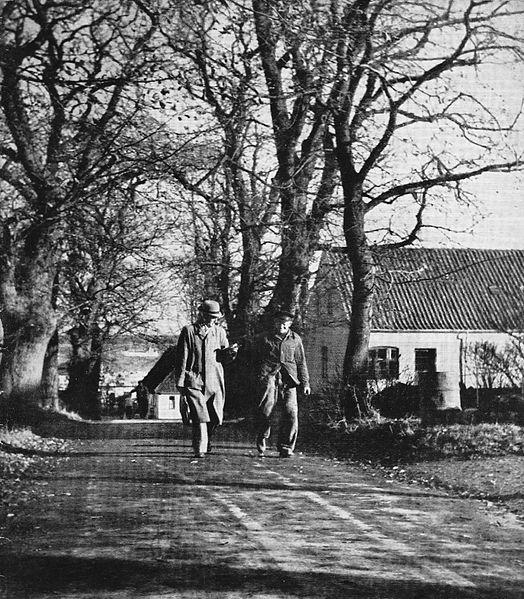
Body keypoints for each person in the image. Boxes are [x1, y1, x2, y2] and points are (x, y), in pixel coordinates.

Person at [174, 300, 238, 458]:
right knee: (199, 416)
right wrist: (180, 381)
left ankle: (207, 440)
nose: (212, 319)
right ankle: (199, 448)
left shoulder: (220, 332)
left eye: (215, 317)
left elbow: (224, 358)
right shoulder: (189, 331)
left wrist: (231, 353)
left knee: (215, 417)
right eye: (209, 316)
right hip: (194, 380)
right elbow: (182, 357)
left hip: (215, 380)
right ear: (201, 314)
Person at [251, 309, 310, 458]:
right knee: (266, 411)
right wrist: (258, 376)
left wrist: (305, 383)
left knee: (291, 412)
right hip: (268, 378)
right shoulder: (264, 338)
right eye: (279, 322)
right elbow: (253, 360)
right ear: (274, 322)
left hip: (289, 380)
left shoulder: (295, 339)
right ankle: (262, 436)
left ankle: (286, 446)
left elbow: (301, 362)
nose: (282, 325)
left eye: (285, 323)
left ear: (290, 324)